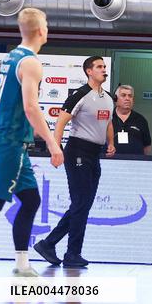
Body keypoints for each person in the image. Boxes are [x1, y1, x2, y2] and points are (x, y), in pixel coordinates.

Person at [0, 9, 63, 277]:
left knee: (31, 200)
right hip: (9, 143)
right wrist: (52, 142)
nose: (47, 29)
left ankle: (22, 264)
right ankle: (21, 264)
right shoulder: (30, 62)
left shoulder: (11, 57)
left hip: (13, 143)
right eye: (46, 25)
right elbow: (31, 108)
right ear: (40, 31)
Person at [34, 56, 114, 269]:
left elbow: (108, 122)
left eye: (104, 67)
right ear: (89, 71)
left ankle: (49, 243)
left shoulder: (108, 98)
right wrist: (55, 147)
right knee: (81, 203)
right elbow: (61, 120)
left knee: (83, 205)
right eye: (99, 67)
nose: (103, 70)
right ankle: (72, 253)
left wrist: (111, 142)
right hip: (78, 151)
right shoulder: (80, 95)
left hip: (94, 154)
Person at [111, 84, 151, 155]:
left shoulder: (141, 120)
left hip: (135, 163)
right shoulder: (108, 118)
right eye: (123, 95)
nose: (127, 98)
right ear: (115, 99)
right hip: (110, 162)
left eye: (130, 96)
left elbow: (147, 146)